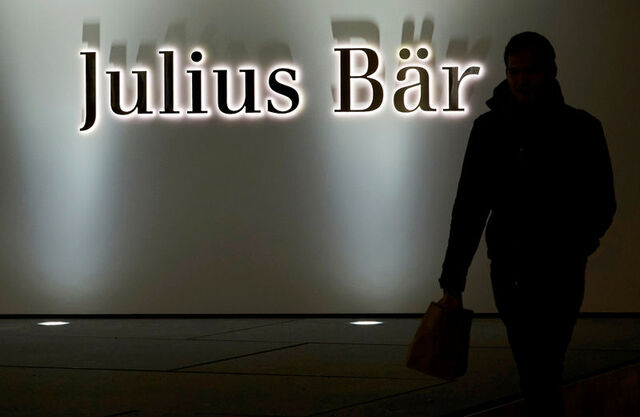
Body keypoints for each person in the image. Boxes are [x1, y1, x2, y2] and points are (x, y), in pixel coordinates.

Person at [436, 32, 616, 417]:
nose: (521, 80)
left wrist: (576, 245)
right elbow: (469, 206)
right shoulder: (489, 129)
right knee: (536, 363)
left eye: (529, 71)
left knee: (542, 363)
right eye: (514, 71)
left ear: (550, 71)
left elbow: (602, 200)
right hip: (512, 267)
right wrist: (453, 281)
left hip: (559, 266)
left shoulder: (581, 128)